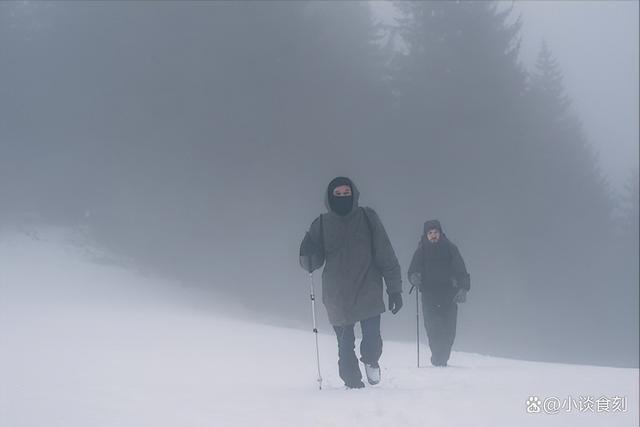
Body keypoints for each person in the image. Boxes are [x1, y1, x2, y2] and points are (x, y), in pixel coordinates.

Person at [299, 176, 403, 389]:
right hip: (338, 295)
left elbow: (386, 254)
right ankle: (353, 384)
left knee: (372, 341)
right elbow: (313, 263)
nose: (343, 197)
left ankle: (371, 360)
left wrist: (395, 289)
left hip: (368, 288)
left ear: (353, 194)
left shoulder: (367, 217)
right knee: (345, 346)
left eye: (346, 193)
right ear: (330, 197)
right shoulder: (321, 224)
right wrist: (306, 252)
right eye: (338, 194)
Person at [408, 220, 470, 367]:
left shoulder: (450, 249)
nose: (433, 235)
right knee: (433, 327)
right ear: (426, 235)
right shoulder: (421, 251)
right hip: (429, 295)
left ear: (441, 233)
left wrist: (463, 289)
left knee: (449, 330)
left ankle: (443, 357)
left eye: (436, 232)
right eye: (430, 233)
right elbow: (412, 270)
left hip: (449, 294)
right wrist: (414, 277)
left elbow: (461, 270)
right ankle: (438, 358)